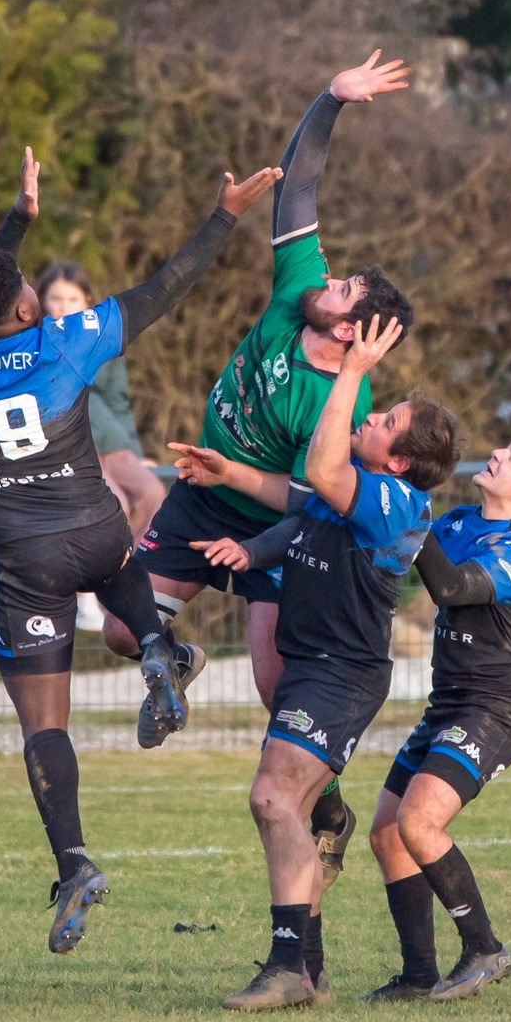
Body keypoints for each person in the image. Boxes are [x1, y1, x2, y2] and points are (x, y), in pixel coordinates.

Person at [0, 145, 279, 955]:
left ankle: (75, 861)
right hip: (95, 533)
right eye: (28, 290)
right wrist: (224, 215)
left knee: (42, 728)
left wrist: (18, 221)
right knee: (124, 562)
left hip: (24, 568)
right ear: (24, 313)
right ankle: (157, 648)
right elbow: (163, 290)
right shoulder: (62, 344)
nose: (34, 292)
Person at [114, 50, 415, 748]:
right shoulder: (297, 293)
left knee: (277, 691)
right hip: (203, 496)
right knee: (121, 631)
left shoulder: (340, 398)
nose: (329, 277)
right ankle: (177, 660)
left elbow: (310, 504)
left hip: (272, 528)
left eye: (342, 290)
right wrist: (332, 99)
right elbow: (298, 187)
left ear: (346, 329)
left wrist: (236, 480)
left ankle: (323, 810)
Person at [181, 317, 462, 1011]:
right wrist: (248, 543)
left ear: (400, 458)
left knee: (272, 798)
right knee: (292, 811)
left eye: (387, 419)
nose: (370, 416)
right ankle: (304, 966)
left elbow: (316, 472)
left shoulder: (396, 502)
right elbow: (298, 505)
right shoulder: (358, 489)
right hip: (313, 666)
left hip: (340, 675)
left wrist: (351, 370)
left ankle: (290, 968)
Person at [362, 426, 511, 1004]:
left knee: (418, 824)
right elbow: (395, 561)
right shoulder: (456, 522)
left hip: (494, 711)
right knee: (387, 833)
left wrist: (411, 506)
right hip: (448, 705)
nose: (497, 456)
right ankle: (418, 975)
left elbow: (452, 587)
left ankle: (484, 948)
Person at [37, 263, 166, 632]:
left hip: (110, 438)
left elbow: (118, 399)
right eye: (56, 299)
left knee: (152, 493)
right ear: (44, 302)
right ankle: (88, 594)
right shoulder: (39, 341)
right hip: (72, 440)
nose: (63, 307)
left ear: (87, 302)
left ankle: (133, 581)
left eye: (72, 299)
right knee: (115, 504)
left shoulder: (103, 338)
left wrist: (136, 453)